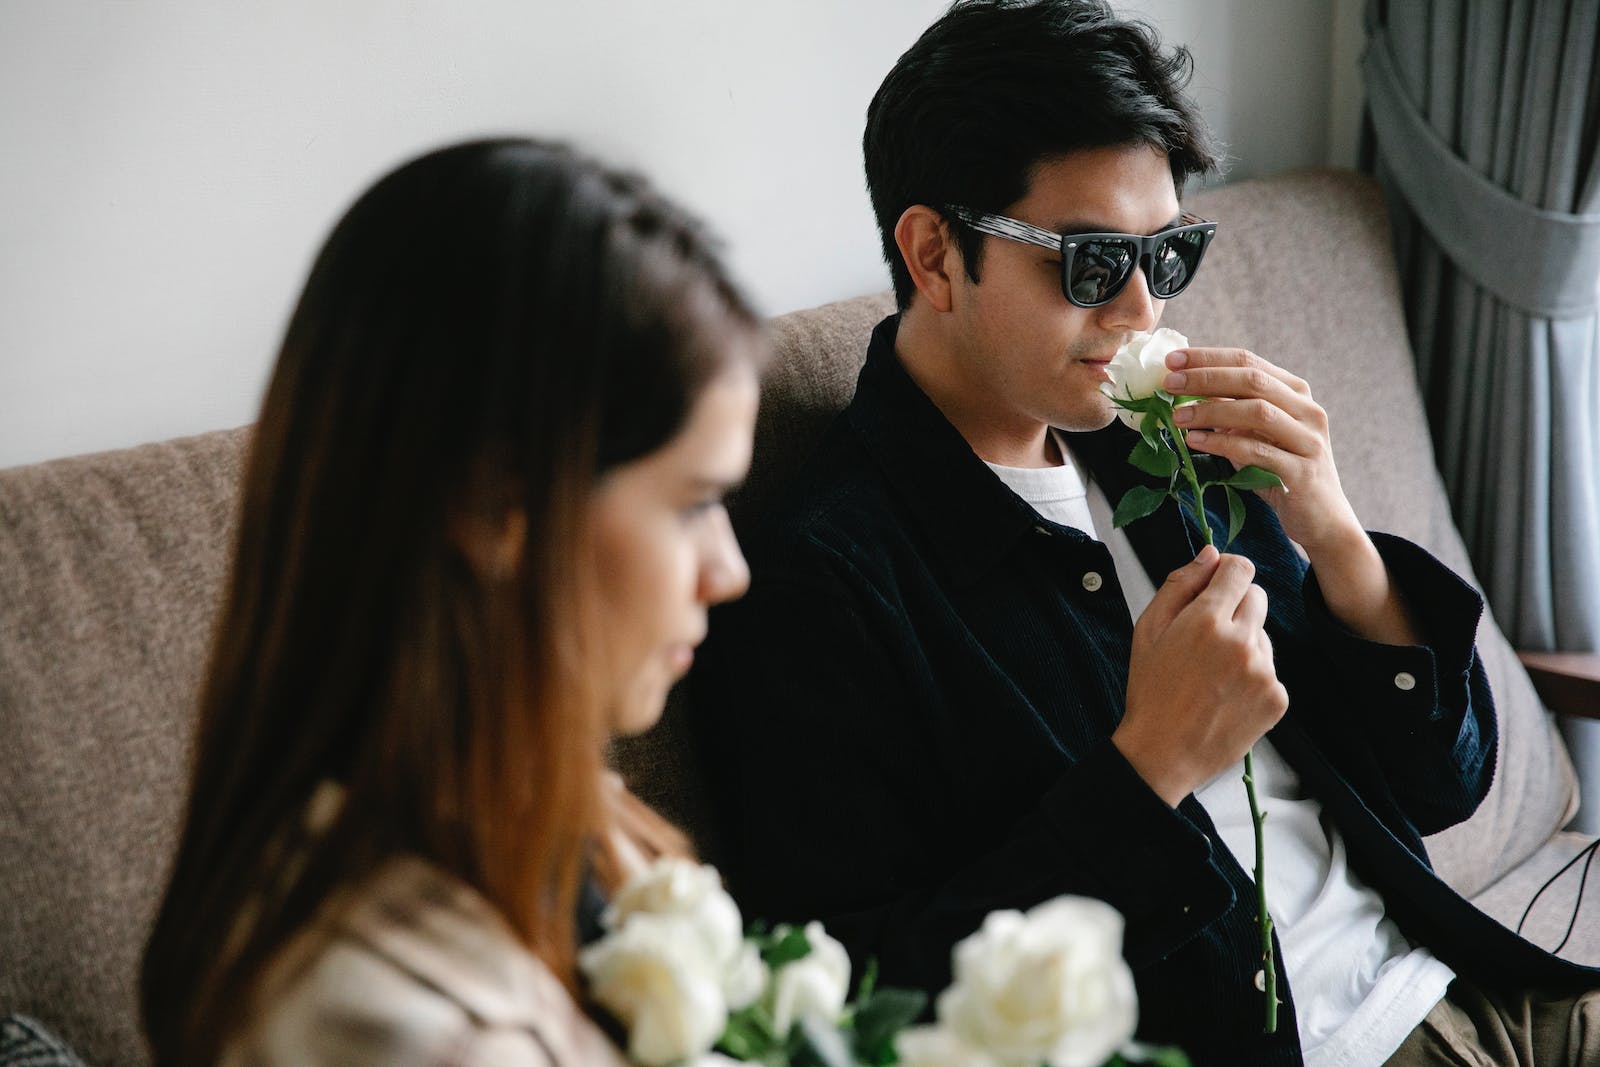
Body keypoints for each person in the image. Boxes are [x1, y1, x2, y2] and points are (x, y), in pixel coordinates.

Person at [690, 3, 1599, 1065]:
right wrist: (1148, 767)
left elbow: (1446, 785)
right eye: (1087, 263)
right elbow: (858, 1005)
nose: (1140, 309)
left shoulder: (1170, 444)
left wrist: (1337, 536)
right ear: (934, 255)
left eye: (1166, 254)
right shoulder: (828, 585)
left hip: (1467, 980)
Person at [140, 138, 763, 1066]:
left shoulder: (571, 823)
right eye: (692, 503)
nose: (731, 570)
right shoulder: (398, 1029)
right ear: (493, 505)